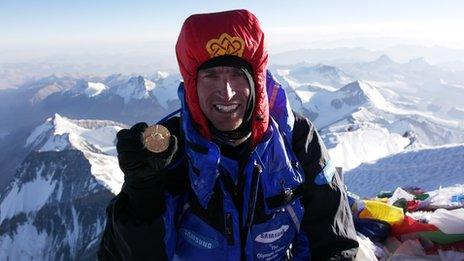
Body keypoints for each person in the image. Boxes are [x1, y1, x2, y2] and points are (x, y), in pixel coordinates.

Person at [98, 9, 358, 260]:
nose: (227, 91)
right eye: (210, 75)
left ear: (256, 81)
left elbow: (332, 243)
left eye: (236, 74)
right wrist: (142, 193)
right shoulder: (171, 151)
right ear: (192, 85)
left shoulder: (297, 139)